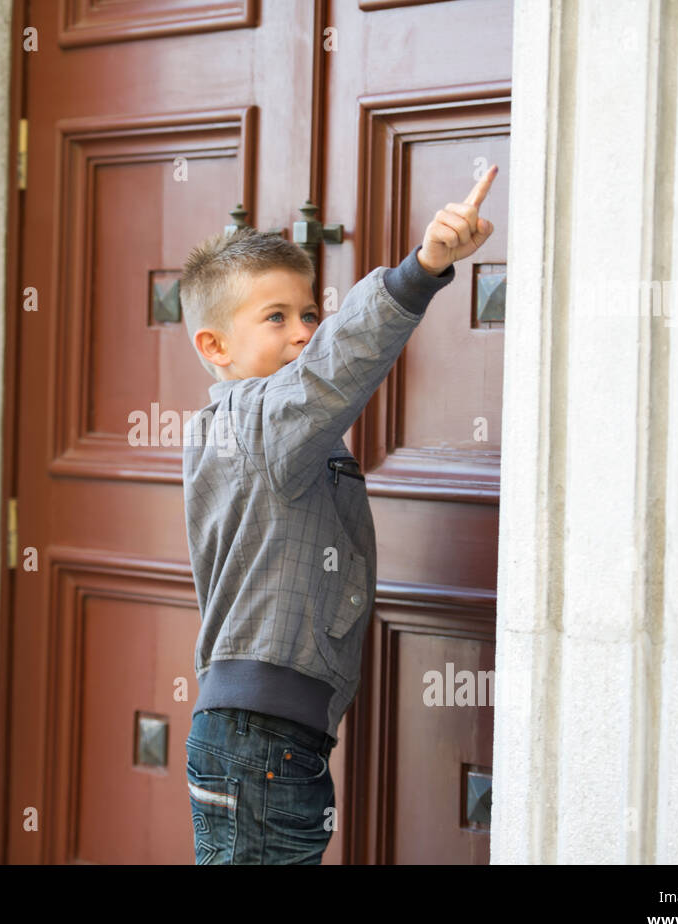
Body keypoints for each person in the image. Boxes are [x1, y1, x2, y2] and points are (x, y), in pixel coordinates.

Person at [178, 165, 498, 864]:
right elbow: (333, 370)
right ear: (215, 347)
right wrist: (423, 268)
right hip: (261, 743)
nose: (301, 332)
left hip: (263, 737)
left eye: (307, 314)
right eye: (275, 318)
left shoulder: (246, 427)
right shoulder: (258, 419)